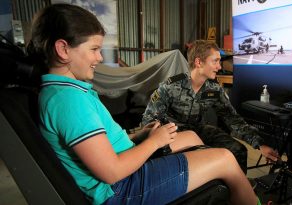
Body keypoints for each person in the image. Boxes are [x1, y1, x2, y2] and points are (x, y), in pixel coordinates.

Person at [28, 4, 259, 205]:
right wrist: (154, 142)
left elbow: (102, 144)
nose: (100, 57)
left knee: (191, 138)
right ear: (63, 49)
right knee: (225, 158)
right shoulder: (68, 100)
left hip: (123, 170)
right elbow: (112, 171)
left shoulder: (70, 91)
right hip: (120, 189)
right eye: (94, 49)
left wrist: (138, 137)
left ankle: (212, 188)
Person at [142, 40, 279, 174]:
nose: (219, 67)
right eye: (215, 61)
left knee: (238, 150)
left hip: (198, 129)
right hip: (173, 134)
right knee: (197, 158)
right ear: (198, 62)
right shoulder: (170, 86)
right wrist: (160, 144)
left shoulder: (214, 90)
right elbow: (149, 120)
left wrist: (259, 144)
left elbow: (233, 119)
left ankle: (237, 191)